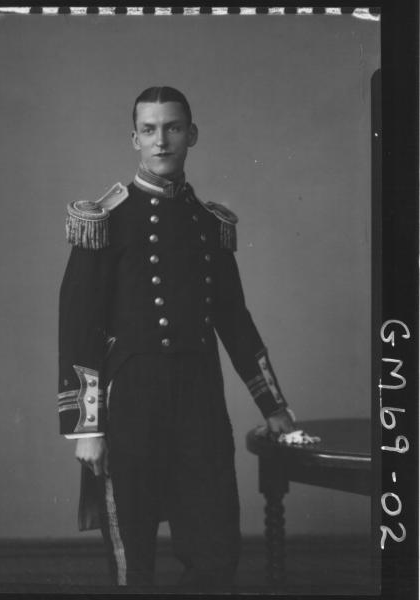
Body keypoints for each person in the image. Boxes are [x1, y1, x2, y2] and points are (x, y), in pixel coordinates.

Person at [58, 86, 295, 590]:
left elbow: (235, 321)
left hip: (200, 404)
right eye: (149, 130)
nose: (161, 141)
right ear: (134, 139)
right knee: (132, 562)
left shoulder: (209, 224)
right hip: (131, 407)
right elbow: (78, 327)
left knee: (215, 550)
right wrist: (86, 428)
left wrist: (273, 405)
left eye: (172, 128)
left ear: (192, 133)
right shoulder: (105, 220)